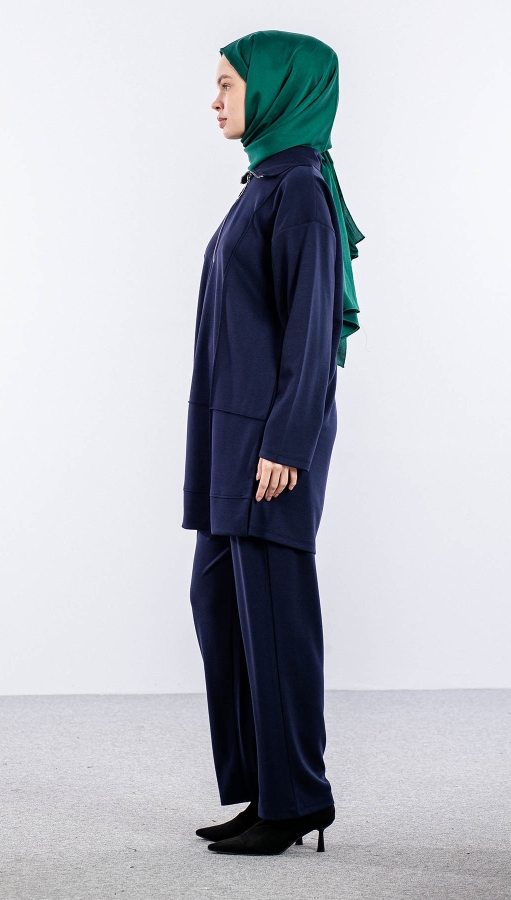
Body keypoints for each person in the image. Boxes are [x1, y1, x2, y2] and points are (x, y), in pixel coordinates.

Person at [181, 30, 365, 856]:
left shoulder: (301, 191)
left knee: (276, 615)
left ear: (279, 89)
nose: (215, 100)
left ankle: (298, 800)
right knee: (221, 603)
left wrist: (286, 444)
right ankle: (266, 789)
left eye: (228, 83)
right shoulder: (264, 183)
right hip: (231, 438)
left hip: (270, 447)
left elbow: (311, 331)